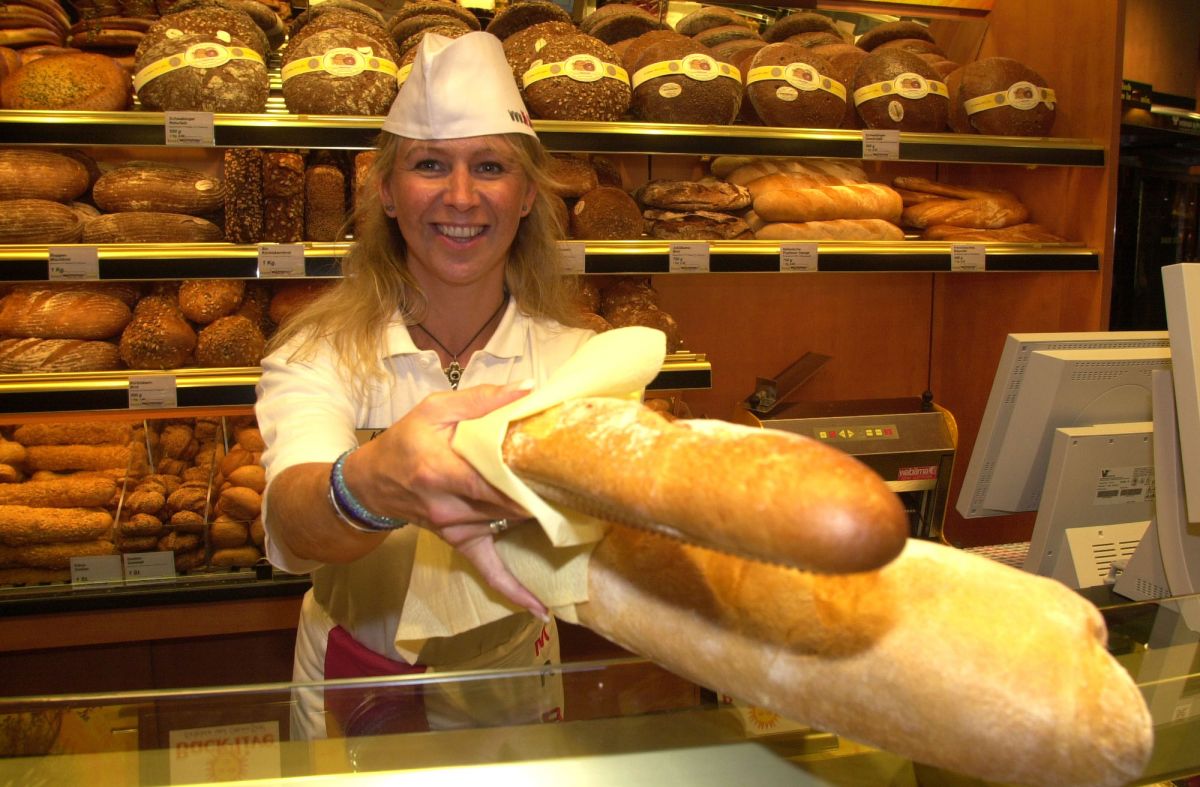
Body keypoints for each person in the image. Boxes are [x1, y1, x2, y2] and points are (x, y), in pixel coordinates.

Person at [254, 31, 595, 739]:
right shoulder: (317, 353)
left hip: (514, 684)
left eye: (491, 166)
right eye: (431, 164)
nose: (461, 197)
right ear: (386, 190)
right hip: (356, 681)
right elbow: (291, 525)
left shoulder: (577, 362)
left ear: (527, 194)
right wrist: (372, 482)